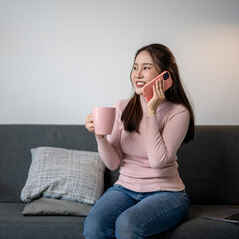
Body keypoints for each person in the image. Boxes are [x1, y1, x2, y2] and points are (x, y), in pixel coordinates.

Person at [83, 43, 195, 239]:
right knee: (93, 226)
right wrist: (100, 137)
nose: (137, 74)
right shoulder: (122, 107)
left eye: (146, 67)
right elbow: (113, 163)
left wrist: (151, 111)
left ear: (165, 75)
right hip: (125, 188)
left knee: (127, 225)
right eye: (135, 67)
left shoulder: (178, 112)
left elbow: (158, 161)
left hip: (167, 194)